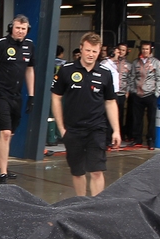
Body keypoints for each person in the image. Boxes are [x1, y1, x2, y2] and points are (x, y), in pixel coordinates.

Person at [52, 32, 121, 196]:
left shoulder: (105, 73)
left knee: (96, 170)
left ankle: (96, 208)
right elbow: (55, 97)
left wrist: (116, 130)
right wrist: (62, 128)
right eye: (88, 50)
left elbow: (110, 102)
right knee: (78, 171)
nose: (91, 55)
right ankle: (81, 203)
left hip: (96, 129)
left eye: (95, 51)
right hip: (73, 130)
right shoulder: (66, 70)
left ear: (99, 52)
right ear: (81, 49)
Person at [0, 15, 35, 183]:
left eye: (23, 28)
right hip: (0, 93)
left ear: (27, 30)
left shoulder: (30, 45)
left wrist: (32, 95)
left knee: (9, 133)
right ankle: (3, 173)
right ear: (12, 27)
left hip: (16, 95)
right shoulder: (1, 44)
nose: (20, 31)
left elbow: (30, 70)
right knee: (4, 132)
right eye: (17, 27)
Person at [127, 42, 160, 149]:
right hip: (138, 94)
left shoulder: (156, 63)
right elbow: (132, 77)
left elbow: (159, 78)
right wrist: (133, 90)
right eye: (143, 49)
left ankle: (151, 140)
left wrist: (157, 93)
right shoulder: (135, 63)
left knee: (151, 119)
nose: (145, 51)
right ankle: (137, 139)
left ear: (150, 50)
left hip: (150, 94)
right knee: (137, 119)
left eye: (147, 49)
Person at [112, 42, 132, 144]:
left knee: (120, 115)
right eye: (119, 50)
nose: (121, 52)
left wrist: (127, 91)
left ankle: (119, 135)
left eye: (123, 50)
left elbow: (130, 79)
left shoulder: (129, 65)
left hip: (122, 92)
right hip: (112, 92)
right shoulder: (111, 63)